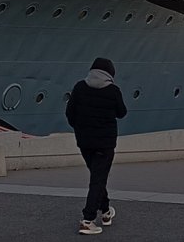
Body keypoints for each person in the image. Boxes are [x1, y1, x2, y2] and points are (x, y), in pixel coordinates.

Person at [65, 57, 127, 235]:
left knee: (97, 177)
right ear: (110, 73)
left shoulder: (79, 87)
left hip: (84, 142)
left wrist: (79, 128)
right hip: (105, 143)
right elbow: (122, 113)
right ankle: (88, 219)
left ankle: (106, 212)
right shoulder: (113, 90)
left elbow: (70, 113)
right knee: (98, 179)